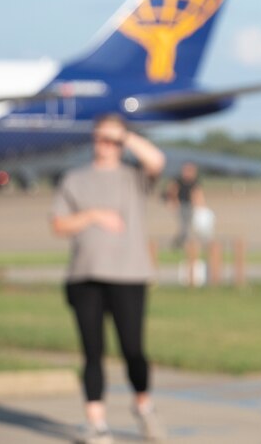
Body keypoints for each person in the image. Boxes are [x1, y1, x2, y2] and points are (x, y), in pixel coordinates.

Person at [50, 114, 167, 444]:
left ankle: (143, 405)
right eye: (99, 137)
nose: (103, 144)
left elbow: (157, 159)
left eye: (109, 138)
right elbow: (58, 224)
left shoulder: (133, 177)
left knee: (133, 350)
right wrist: (92, 215)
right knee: (92, 351)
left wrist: (124, 136)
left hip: (129, 276)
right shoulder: (75, 179)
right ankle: (96, 423)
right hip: (84, 276)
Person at [163, 162, 205, 250]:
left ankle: (182, 244)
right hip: (181, 205)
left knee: (187, 226)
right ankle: (178, 245)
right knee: (184, 226)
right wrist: (173, 202)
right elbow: (171, 191)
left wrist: (200, 205)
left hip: (189, 206)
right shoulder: (178, 180)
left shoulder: (194, 181)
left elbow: (197, 193)